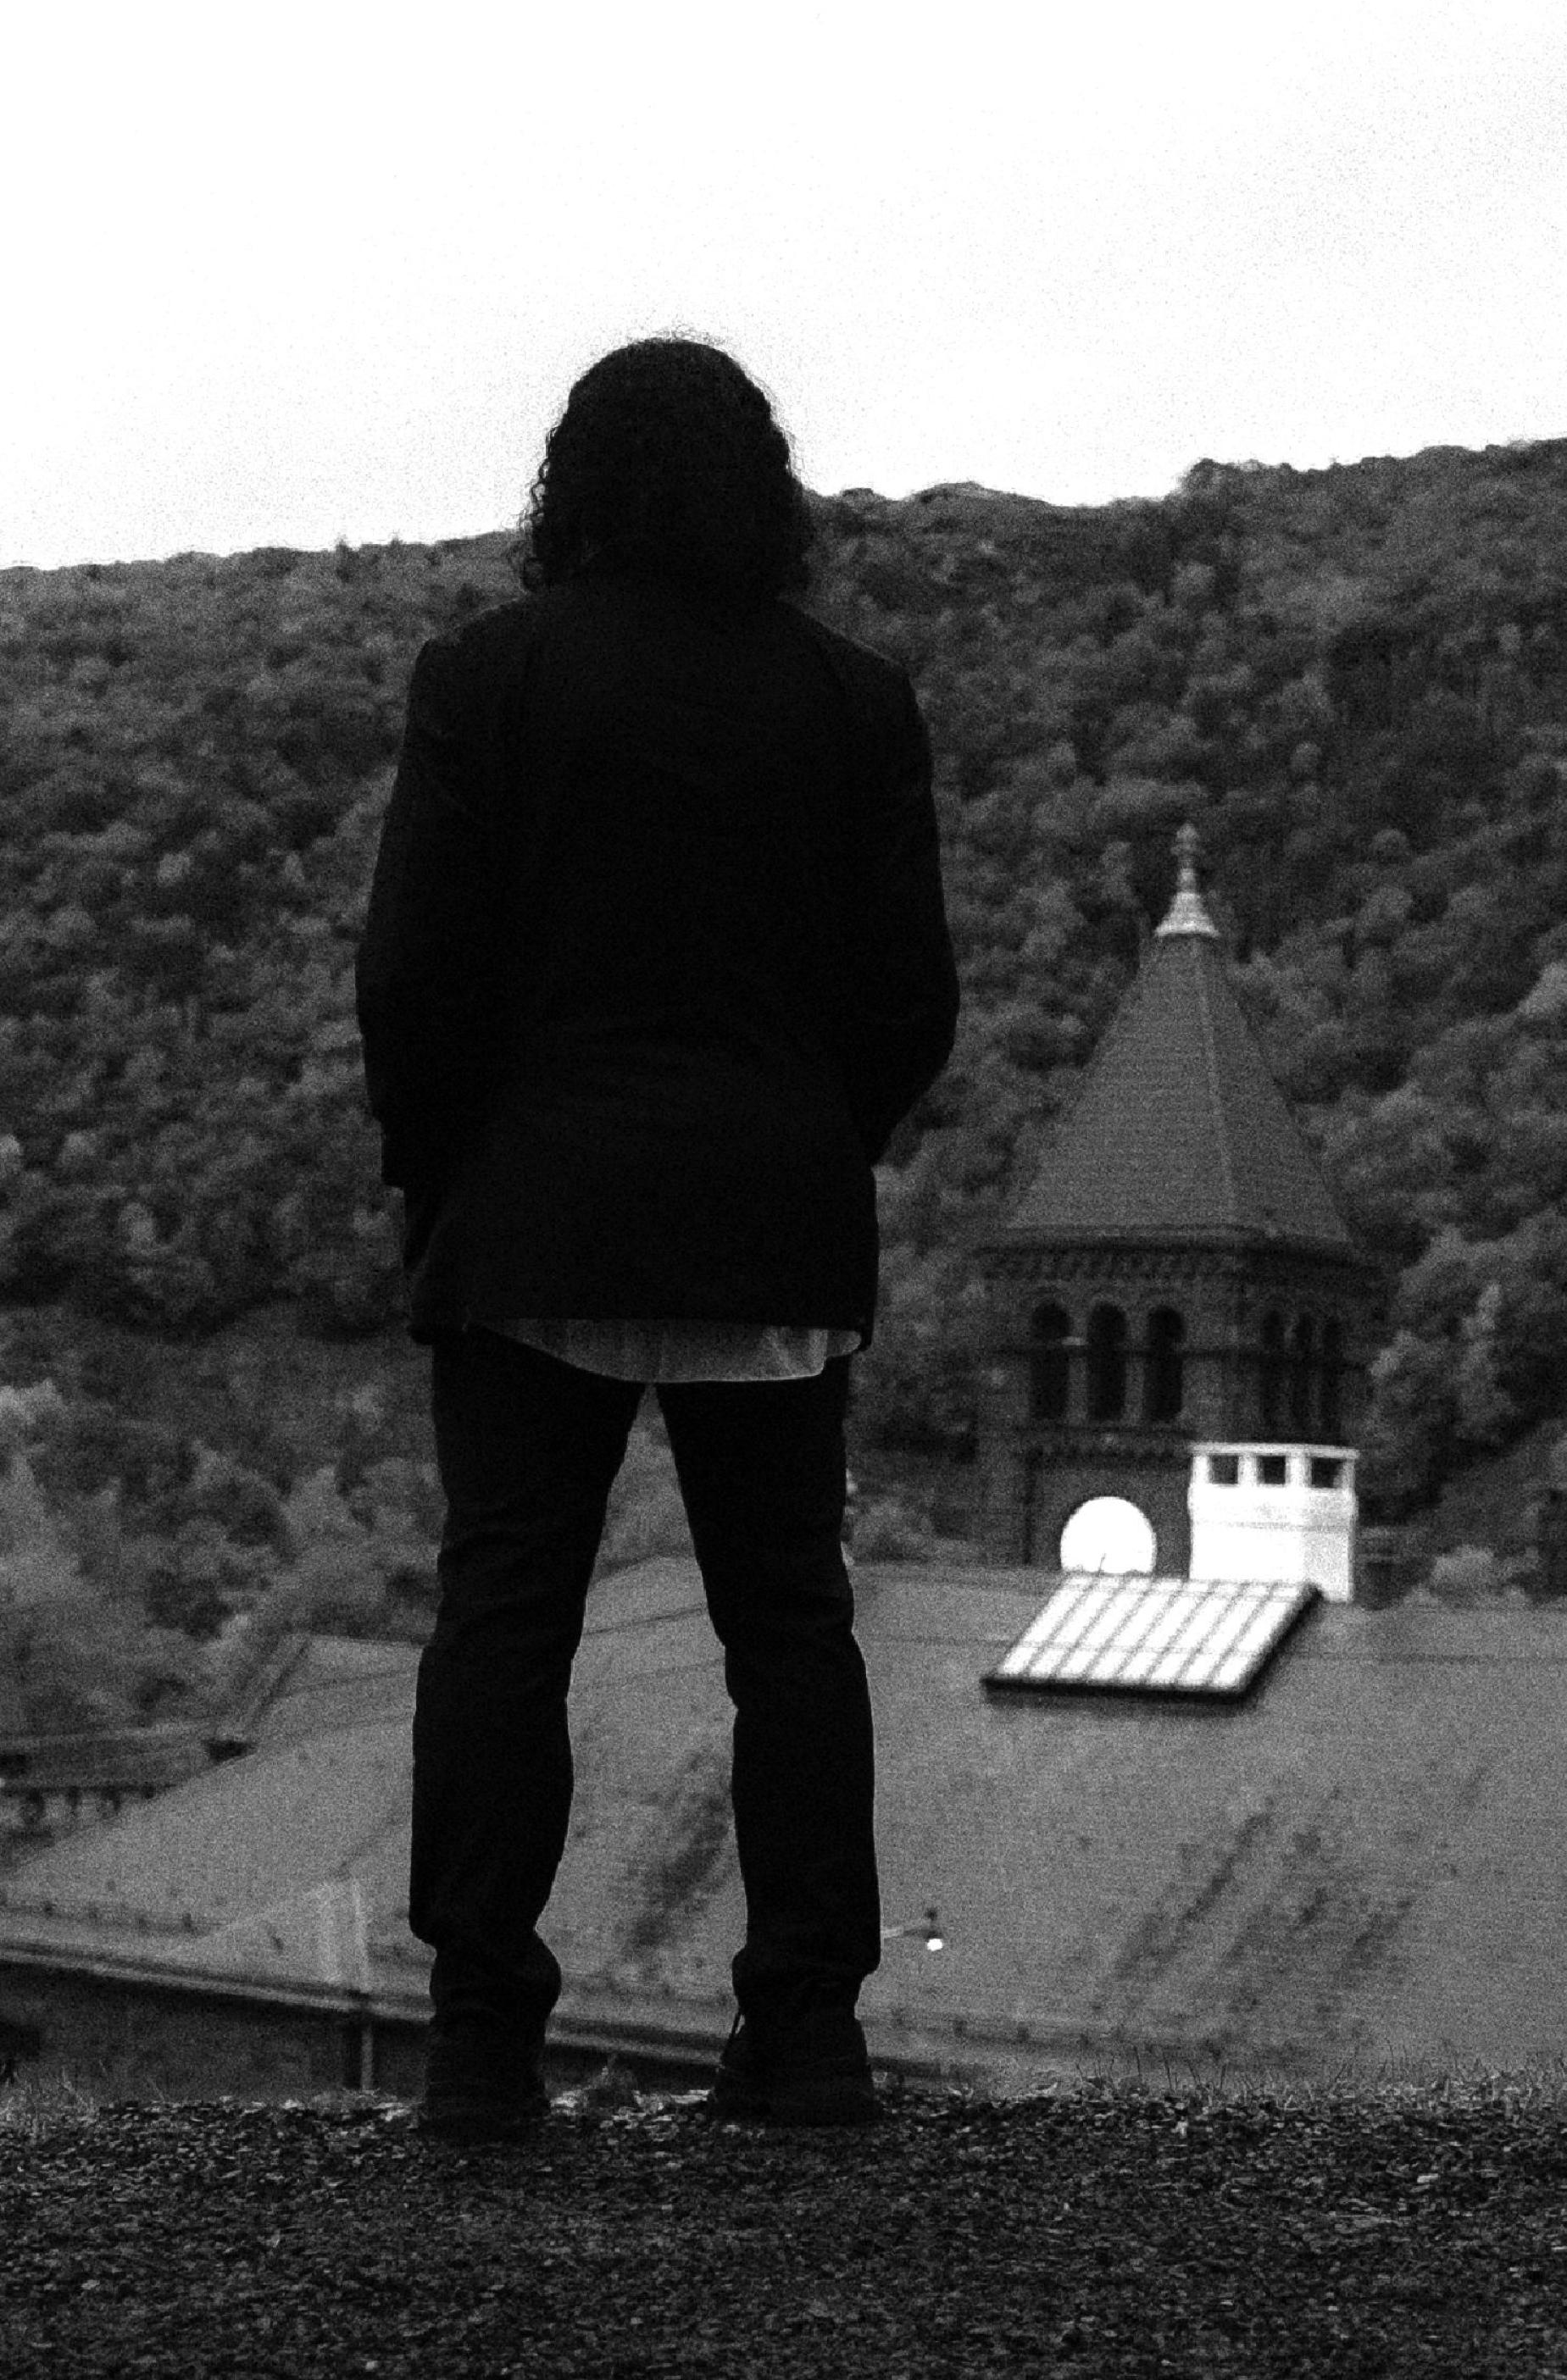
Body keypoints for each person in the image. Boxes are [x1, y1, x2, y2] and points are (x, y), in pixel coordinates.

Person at [355, 336, 959, 2140]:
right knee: (791, 1631)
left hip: (534, 1214)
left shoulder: (489, 679)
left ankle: (481, 2042)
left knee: (504, 1619)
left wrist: (446, 1175)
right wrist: (810, 1145)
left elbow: (413, 974)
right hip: (771, 1223)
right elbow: (909, 1000)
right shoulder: (855, 702)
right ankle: (809, 2035)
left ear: (576, 485)